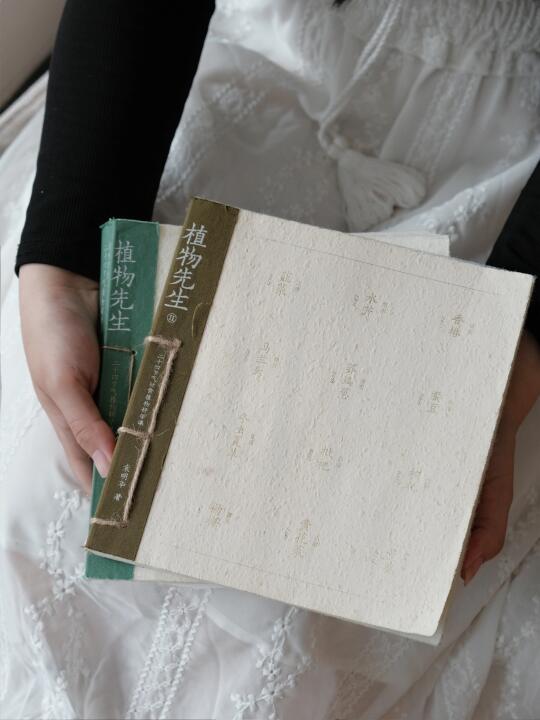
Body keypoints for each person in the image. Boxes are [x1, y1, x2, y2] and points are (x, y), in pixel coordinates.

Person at [14, 0, 540, 591]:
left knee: (354, 546)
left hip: (508, 159)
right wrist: (64, 269)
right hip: (257, 57)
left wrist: (519, 344)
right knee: (46, 484)